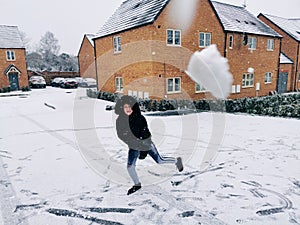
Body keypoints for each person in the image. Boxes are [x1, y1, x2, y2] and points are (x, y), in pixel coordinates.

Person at [115, 95, 183, 195]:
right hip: (133, 146)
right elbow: (121, 135)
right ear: (122, 108)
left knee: (160, 160)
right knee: (130, 167)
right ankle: (137, 184)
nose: (128, 109)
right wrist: (133, 143)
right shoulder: (120, 121)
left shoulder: (140, 118)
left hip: (146, 143)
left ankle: (177, 161)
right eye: (126, 107)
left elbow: (145, 134)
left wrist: (144, 150)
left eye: (130, 107)